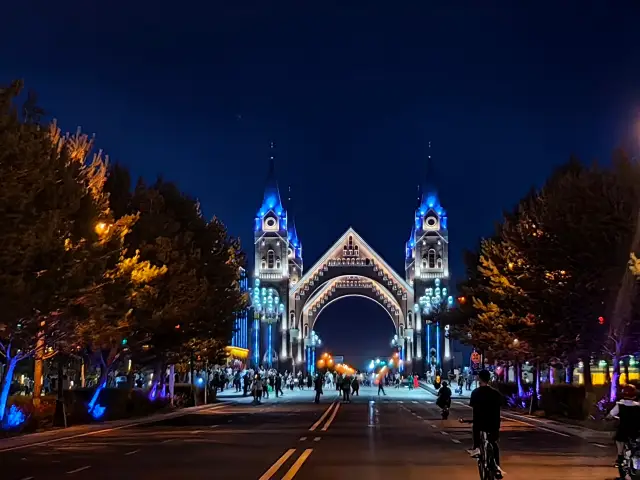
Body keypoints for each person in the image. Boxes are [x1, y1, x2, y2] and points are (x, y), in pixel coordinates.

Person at [466, 369, 504, 479]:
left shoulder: (476, 393)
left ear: (479, 379)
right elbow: (501, 403)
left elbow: (472, 405)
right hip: (494, 423)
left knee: (476, 429)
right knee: (494, 443)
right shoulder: (495, 393)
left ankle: (477, 447)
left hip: (480, 423)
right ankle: (497, 467)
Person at [608, 384, 640, 469]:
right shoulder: (637, 406)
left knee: (619, 440)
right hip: (636, 430)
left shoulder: (620, 405)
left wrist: (608, 418)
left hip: (623, 429)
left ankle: (620, 456)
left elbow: (611, 415)